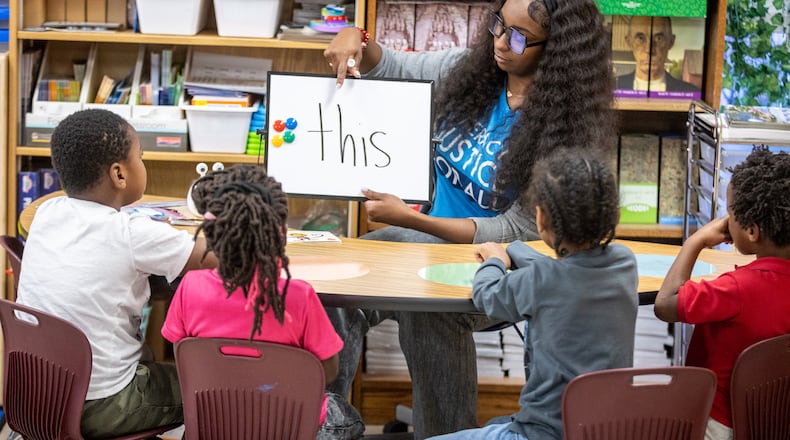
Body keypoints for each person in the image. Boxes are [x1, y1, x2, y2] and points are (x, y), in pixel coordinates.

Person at [323, 0, 617, 437]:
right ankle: (330, 424)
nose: (500, 42)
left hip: (495, 265)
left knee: (429, 308)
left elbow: (515, 231)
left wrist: (414, 221)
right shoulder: (472, 70)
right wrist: (359, 42)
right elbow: (397, 67)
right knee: (336, 288)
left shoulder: (565, 129)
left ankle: (444, 432)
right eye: (499, 24)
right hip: (417, 246)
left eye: (519, 37)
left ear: (556, 49)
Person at [16, 108, 217, 438]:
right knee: (217, 388)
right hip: (104, 404)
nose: (143, 164)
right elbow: (218, 257)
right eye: (141, 157)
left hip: (39, 393)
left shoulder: (47, 211)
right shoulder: (132, 234)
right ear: (119, 175)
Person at [429, 149, 638, 440]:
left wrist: (495, 261)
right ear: (614, 215)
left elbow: (487, 296)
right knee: (496, 423)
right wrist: (514, 248)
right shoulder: (624, 263)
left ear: (541, 219)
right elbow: (567, 275)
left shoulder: (542, 280)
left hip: (540, 433)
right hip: (600, 430)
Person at [161, 164, 365, 440]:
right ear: (280, 235)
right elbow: (327, 372)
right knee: (344, 414)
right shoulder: (299, 296)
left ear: (211, 233)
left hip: (214, 426)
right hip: (289, 429)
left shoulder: (189, 287)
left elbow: (184, 357)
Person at [654, 148, 790, 440]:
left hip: (719, 422)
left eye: (730, 212)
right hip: (774, 421)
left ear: (752, 231)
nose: (726, 220)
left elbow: (665, 305)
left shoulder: (735, 289)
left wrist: (696, 241)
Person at [615, 16, 700, 93]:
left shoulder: (690, 92)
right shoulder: (610, 88)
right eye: (640, 38)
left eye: (658, 38)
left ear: (671, 42)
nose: (649, 50)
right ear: (629, 42)